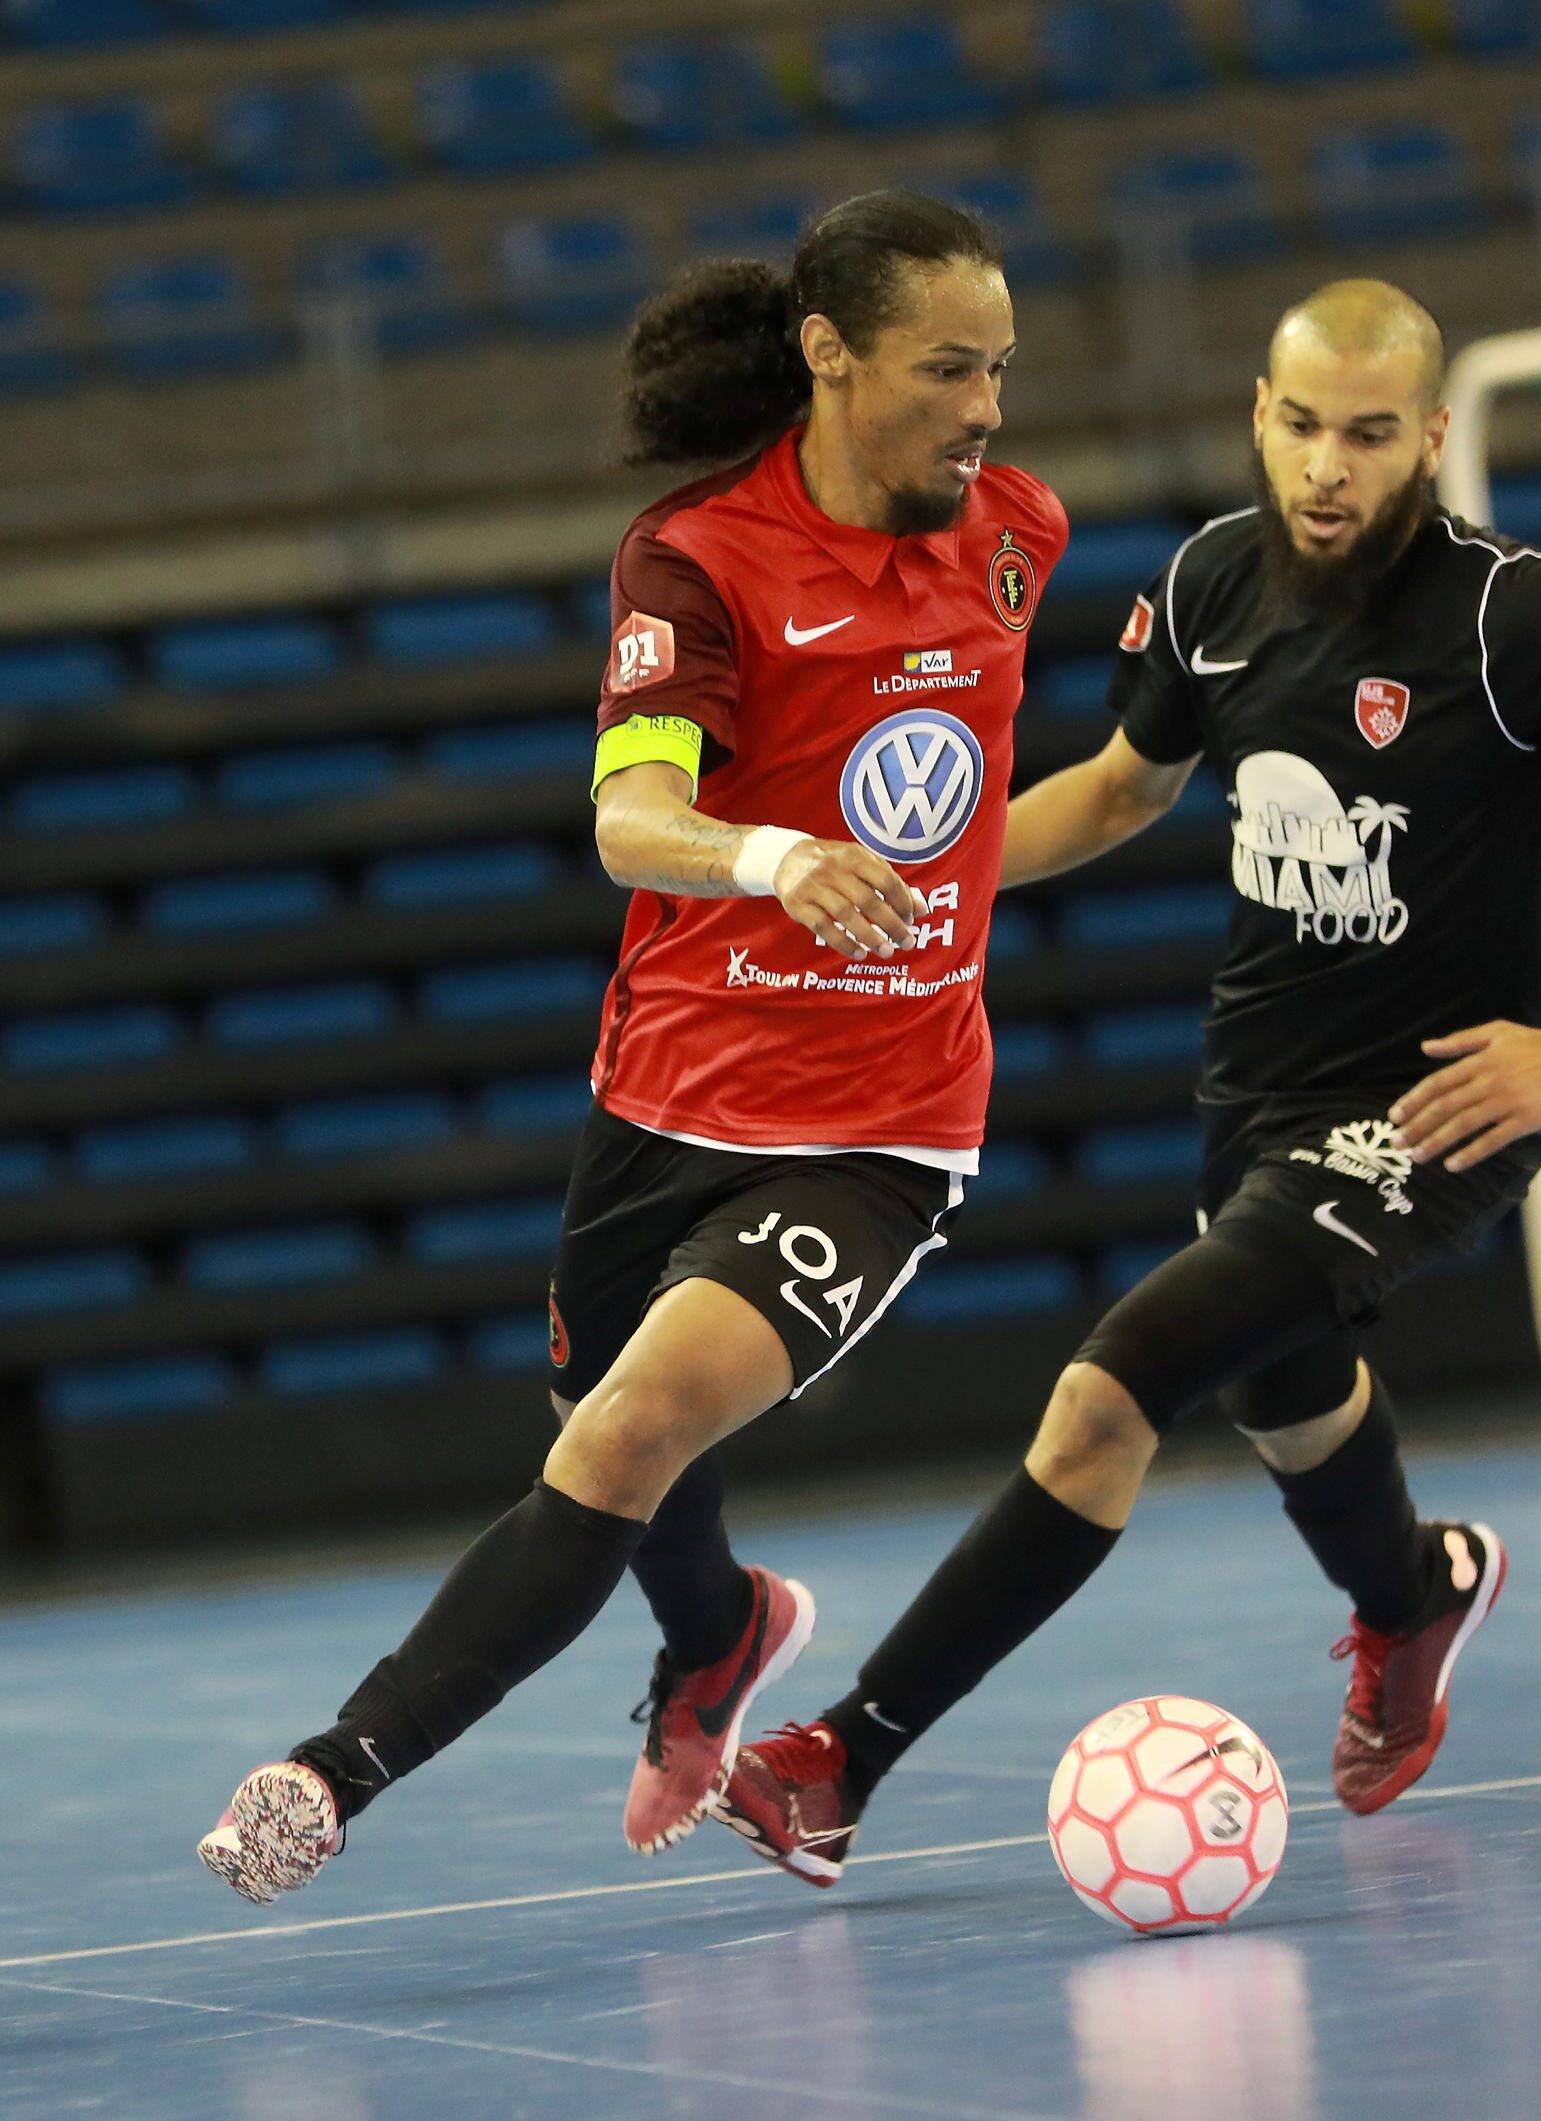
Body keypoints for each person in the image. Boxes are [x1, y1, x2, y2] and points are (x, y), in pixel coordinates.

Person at [710, 278, 1541, 1887]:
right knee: (1286, 1395)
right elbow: (1118, 792)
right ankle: (1416, 1595)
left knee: (1114, 1386)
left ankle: (842, 1758)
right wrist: (903, 884)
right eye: (1301, 426)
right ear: (1260, 416)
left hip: (1440, 1105)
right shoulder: (1215, 580)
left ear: (1431, 437)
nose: (1329, 468)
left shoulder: (1520, 617)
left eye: (1370, 434)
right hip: (1262, 1089)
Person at [199, 190, 1069, 1903]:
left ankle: (332, 1769)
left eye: (1002, 368)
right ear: (828, 355)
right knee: (623, 1439)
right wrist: (776, 857)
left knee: (616, 1439)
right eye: (948, 367)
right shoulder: (699, 558)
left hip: (880, 1124)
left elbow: (993, 798)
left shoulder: (1018, 529)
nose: (987, 407)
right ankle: (726, 1632)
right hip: (666, 1093)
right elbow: (633, 815)